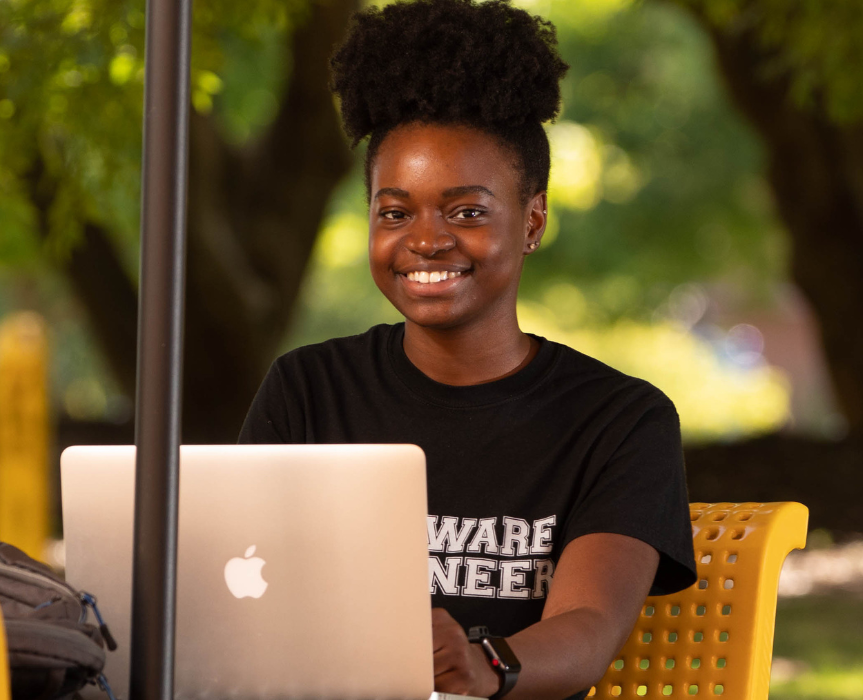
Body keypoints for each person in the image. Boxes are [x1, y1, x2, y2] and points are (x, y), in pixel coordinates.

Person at [239, 0, 697, 697]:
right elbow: (235, 586)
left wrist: (486, 665)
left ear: (532, 220)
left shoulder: (618, 420)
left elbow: (588, 624)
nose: (426, 240)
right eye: (396, 212)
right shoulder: (307, 389)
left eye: (466, 212)